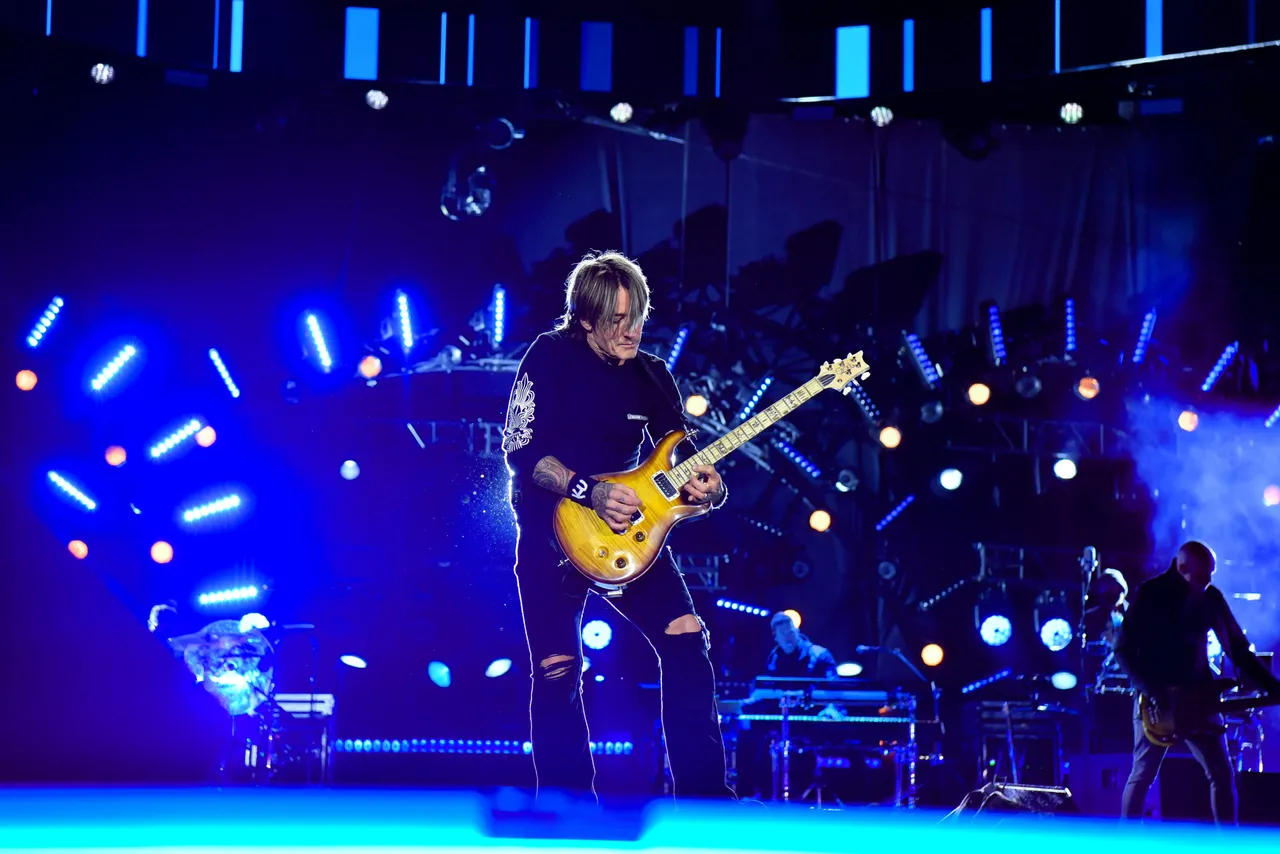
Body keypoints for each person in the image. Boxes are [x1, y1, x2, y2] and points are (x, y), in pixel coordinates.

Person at [501, 250, 735, 801]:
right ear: (586, 319)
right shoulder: (550, 355)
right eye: (617, 320)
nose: (632, 331)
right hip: (553, 534)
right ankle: (566, 805)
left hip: (629, 535)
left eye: (638, 318)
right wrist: (592, 491)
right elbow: (521, 452)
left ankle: (705, 798)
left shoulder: (651, 375)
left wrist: (710, 487)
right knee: (557, 669)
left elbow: (681, 457)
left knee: (686, 637)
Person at [1114, 541, 1280, 824]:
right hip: (1157, 703)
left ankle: (1227, 843)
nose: (1208, 582)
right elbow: (1122, 649)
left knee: (1221, 775)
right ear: (1182, 568)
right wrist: (1150, 691)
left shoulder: (1210, 597)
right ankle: (1126, 842)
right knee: (1142, 775)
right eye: (1203, 575)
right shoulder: (1150, 594)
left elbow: (1238, 649)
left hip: (1200, 699)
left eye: (1211, 574)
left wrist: (1272, 686)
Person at [765, 612, 837, 679]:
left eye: (791, 632)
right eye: (782, 634)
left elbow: (833, 686)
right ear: (775, 636)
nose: (787, 637)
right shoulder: (772, 659)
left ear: (797, 631)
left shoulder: (820, 655)